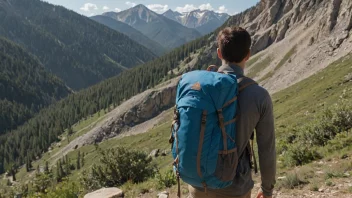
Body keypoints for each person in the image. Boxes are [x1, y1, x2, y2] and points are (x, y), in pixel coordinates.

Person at [188, 27, 276, 198]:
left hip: (198, 184)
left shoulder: (200, 87)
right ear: (248, 55)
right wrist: (267, 189)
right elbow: (267, 149)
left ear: (219, 53)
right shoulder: (259, 96)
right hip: (235, 188)